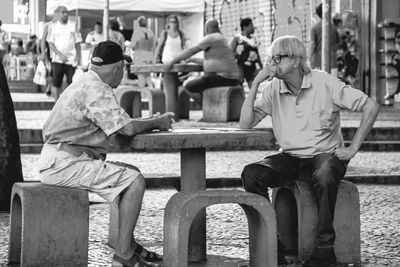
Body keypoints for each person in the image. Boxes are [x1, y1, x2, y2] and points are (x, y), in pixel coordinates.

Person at [240, 35, 380, 267]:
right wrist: (255, 85)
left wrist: (353, 148)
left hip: (324, 156)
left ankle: (325, 250)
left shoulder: (323, 82)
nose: (272, 63)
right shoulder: (274, 88)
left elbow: (371, 106)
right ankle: (273, 245)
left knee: (325, 172)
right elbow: (245, 123)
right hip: (291, 157)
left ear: (296, 60)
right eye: (270, 58)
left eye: (279, 57)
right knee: (251, 174)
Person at [38, 40, 174, 267]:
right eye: (123, 69)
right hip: (64, 163)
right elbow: (128, 129)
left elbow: (120, 124)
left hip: (59, 159)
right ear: (118, 68)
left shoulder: (85, 81)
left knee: (130, 173)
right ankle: (123, 256)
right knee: (135, 182)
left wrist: (150, 122)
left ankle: (127, 243)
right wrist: (158, 121)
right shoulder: (98, 89)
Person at [163, 18, 241, 104]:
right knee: (200, 85)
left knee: (188, 86)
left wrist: (173, 60)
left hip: (222, 78)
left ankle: (207, 109)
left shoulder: (211, 38)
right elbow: (212, 61)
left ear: (206, 29)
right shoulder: (222, 39)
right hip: (232, 79)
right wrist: (192, 59)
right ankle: (211, 108)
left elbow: (191, 50)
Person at [47, 5, 82, 100]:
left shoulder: (73, 25)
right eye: (63, 12)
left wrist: (78, 58)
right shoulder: (53, 27)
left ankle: (70, 104)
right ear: (58, 14)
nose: (65, 14)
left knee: (72, 83)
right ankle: (56, 104)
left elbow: (78, 42)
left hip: (71, 60)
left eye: (67, 12)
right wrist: (59, 54)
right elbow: (50, 43)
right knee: (56, 83)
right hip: (58, 60)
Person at [230, 17, 263, 88]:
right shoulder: (237, 39)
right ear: (245, 27)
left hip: (251, 67)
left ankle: (252, 99)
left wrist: (261, 66)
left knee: (253, 86)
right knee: (239, 85)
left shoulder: (253, 39)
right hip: (240, 66)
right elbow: (230, 53)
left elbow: (257, 54)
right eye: (251, 25)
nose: (253, 27)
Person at [310, 3, 340, 75]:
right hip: (333, 62)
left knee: (319, 85)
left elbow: (312, 46)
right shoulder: (334, 28)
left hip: (318, 62)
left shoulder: (314, 28)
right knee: (332, 85)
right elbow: (338, 44)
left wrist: (309, 60)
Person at [129, 16, 155, 87]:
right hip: (149, 58)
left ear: (138, 23)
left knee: (141, 79)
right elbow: (154, 45)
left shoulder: (137, 33)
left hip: (139, 58)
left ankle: (142, 95)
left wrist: (127, 45)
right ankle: (152, 92)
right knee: (148, 77)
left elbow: (133, 45)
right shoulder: (151, 33)